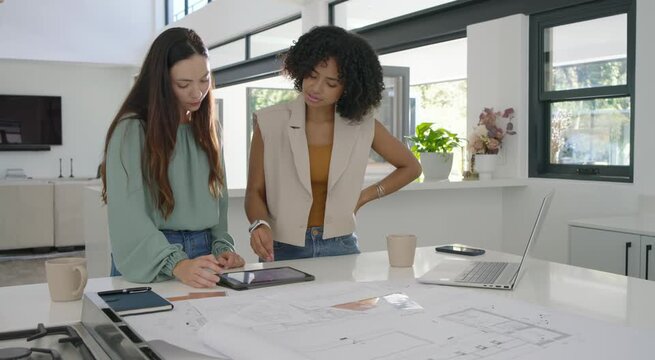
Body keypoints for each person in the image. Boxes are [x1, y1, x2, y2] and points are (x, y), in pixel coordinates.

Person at [245, 25, 422, 261]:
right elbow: (254, 192)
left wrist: (364, 196)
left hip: (342, 245)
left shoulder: (363, 125)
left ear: (349, 87)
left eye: (331, 83)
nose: (316, 89)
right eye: (312, 75)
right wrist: (259, 224)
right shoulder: (269, 122)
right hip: (282, 248)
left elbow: (412, 167)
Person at [101, 27, 244, 288]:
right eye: (183, 84)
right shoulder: (132, 129)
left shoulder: (209, 128)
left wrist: (223, 246)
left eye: (204, 80)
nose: (197, 93)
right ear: (161, 82)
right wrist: (176, 263)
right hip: (151, 258)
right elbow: (128, 215)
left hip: (204, 254)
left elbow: (218, 199)